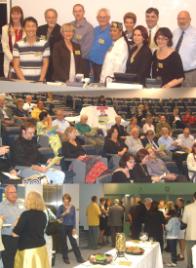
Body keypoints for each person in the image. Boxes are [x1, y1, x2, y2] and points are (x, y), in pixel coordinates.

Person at [12, 191, 50, 268]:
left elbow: (15, 234)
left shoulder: (25, 214)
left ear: (29, 201)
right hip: (41, 248)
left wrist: (16, 222)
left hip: (28, 251)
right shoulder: (43, 215)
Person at [12, 17, 50, 81]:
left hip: (39, 81)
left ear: (36, 28)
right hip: (22, 82)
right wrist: (24, 82)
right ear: (24, 28)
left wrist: (40, 80)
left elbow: (45, 64)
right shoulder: (17, 45)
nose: (31, 29)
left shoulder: (44, 44)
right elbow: (16, 66)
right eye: (28, 26)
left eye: (33, 26)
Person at [57, 193, 84, 264]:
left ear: (69, 200)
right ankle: (65, 258)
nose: (66, 201)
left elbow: (74, 218)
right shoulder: (60, 207)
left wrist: (74, 228)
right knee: (64, 243)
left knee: (74, 243)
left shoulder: (73, 207)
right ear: (63, 200)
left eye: (67, 200)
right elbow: (57, 217)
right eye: (64, 200)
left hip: (71, 227)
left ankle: (79, 258)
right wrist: (65, 212)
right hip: (63, 227)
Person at [0, 185, 23, 268]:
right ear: (6, 194)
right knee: (9, 263)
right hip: (8, 238)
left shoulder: (21, 204)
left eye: (15, 192)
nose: (14, 194)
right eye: (11, 192)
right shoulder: (1, 206)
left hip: (21, 238)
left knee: (20, 261)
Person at [37, 8, 62, 81]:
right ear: (45, 18)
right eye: (49, 17)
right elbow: (37, 45)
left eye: (53, 17)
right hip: (40, 62)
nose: (51, 20)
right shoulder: (39, 29)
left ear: (56, 18)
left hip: (54, 64)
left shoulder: (61, 30)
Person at [88, 8, 112, 82]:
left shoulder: (112, 31)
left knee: (101, 86)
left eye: (104, 17)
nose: (102, 19)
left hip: (104, 65)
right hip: (92, 63)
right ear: (97, 18)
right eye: (100, 17)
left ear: (108, 18)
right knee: (93, 86)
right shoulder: (95, 30)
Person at [173, 11, 196, 87]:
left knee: (189, 97)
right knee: (174, 97)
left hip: (190, 74)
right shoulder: (174, 33)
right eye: (179, 19)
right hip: (174, 74)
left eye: (183, 19)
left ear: (190, 19)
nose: (181, 21)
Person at [1, 6, 24, 78]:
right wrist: (13, 59)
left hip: (23, 62)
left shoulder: (26, 28)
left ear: (21, 15)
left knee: (23, 85)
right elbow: (5, 47)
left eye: (18, 14)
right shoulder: (5, 28)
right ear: (10, 15)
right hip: (10, 62)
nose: (15, 16)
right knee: (10, 86)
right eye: (13, 14)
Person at [72, 4, 94, 77]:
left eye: (80, 11)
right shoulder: (70, 25)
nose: (77, 13)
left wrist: (74, 56)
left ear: (83, 12)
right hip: (70, 60)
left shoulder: (89, 28)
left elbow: (87, 49)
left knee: (81, 86)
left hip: (82, 62)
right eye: (75, 11)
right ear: (73, 13)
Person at [182, 192, 196, 268]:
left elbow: (184, 221)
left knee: (190, 253)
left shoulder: (188, 207)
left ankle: (190, 266)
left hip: (191, 234)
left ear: (193, 198)